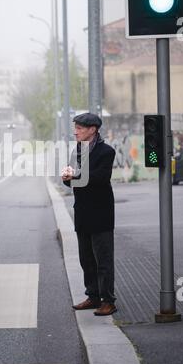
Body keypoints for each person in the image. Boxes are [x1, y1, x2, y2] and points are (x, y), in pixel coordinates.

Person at [62, 113, 117, 316]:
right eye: (75, 127)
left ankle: (108, 301)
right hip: (82, 212)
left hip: (101, 213)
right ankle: (93, 297)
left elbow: (101, 178)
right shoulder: (77, 150)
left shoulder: (106, 151)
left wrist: (75, 175)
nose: (75, 131)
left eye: (79, 128)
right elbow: (73, 181)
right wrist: (67, 177)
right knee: (86, 259)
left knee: (103, 260)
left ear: (92, 129)